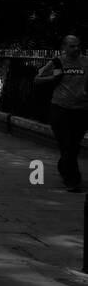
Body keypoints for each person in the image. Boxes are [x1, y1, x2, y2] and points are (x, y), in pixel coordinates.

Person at [34, 35, 88, 192]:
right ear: (64, 47)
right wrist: (53, 77)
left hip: (82, 110)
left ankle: (63, 166)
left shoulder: (86, 62)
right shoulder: (57, 62)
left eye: (78, 45)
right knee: (66, 144)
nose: (76, 49)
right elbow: (37, 79)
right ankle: (73, 180)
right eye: (72, 46)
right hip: (60, 109)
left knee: (73, 146)